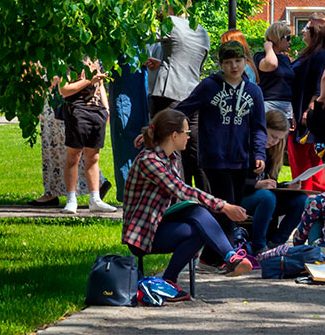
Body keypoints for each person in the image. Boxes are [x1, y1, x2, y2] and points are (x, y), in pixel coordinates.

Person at [122, 108, 253, 296]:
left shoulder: (171, 157)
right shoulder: (148, 161)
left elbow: (180, 197)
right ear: (174, 135)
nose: (189, 137)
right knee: (198, 219)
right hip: (143, 235)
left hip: (160, 224)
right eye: (187, 132)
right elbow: (182, 190)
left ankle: (171, 281)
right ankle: (227, 258)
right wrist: (224, 206)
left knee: (198, 220)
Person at [174, 40, 267, 238]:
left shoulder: (254, 91)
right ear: (220, 65)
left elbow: (259, 127)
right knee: (226, 206)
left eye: (238, 60)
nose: (234, 66)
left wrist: (259, 153)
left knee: (233, 207)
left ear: (245, 61)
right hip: (214, 159)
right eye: (228, 62)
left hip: (241, 159)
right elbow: (183, 109)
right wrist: (155, 127)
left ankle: (214, 254)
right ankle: (224, 254)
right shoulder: (209, 86)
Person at [144, 10, 210, 187]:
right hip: (193, 94)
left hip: (169, 94)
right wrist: (164, 63)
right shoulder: (201, 30)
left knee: (172, 149)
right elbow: (188, 61)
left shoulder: (170, 23)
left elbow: (143, 34)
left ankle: (177, 199)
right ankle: (206, 200)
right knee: (194, 152)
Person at [240, 110, 307, 254]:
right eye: (272, 136)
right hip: (242, 198)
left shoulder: (272, 152)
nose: (274, 142)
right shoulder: (245, 147)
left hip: (264, 200)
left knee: (301, 200)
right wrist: (257, 185)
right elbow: (233, 181)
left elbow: (270, 181)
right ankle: (259, 246)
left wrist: (286, 186)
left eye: (279, 139)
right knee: (267, 197)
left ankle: (276, 243)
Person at [59, 61, 116, 214]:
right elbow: (64, 90)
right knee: (73, 156)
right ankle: (71, 199)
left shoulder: (97, 59)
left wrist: (106, 109)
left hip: (97, 111)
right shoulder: (69, 60)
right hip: (77, 109)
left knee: (94, 157)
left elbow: (101, 86)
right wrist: (89, 80)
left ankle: (95, 199)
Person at [289, 19, 325, 193]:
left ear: (316, 32)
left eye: (306, 29)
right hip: (300, 110)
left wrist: (310, 109)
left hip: (308, 115)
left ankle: (306, 198)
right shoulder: (309, 53)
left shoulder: (321, 54)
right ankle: (319, 197)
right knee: (312, 163)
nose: (302, 32)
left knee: (303, 160)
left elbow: (321, 82)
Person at [256, 20, 297, 123]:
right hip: (269, 104)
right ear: (277, 38)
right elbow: (272, 64)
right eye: (287, 38)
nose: (289, 42)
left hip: (287, 106)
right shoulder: (260, 57)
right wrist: (269, 48)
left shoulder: (285, 59)